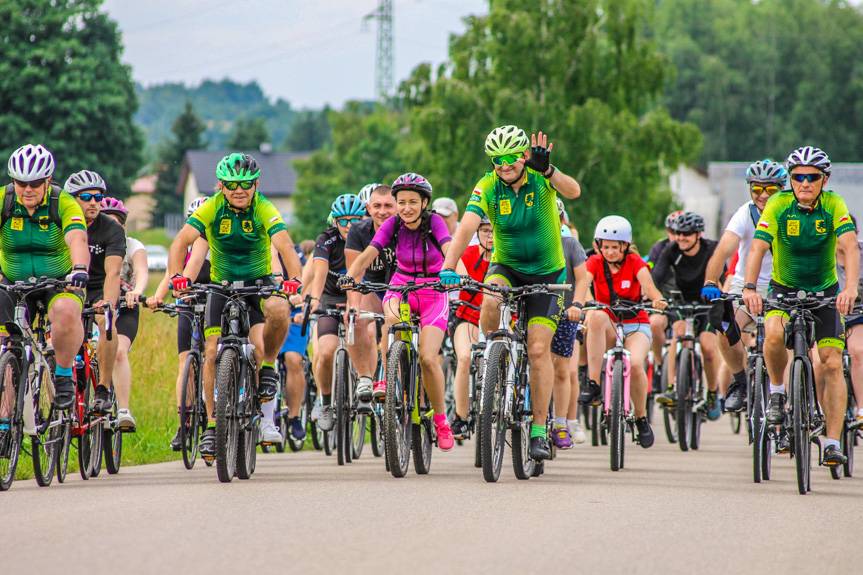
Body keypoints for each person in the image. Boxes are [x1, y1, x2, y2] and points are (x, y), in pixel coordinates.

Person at [440, 125, 582, 460]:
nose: (504, 165)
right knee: (491, 296)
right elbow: (466, 227)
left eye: (510, 157)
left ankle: (538, 429)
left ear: (523, 155)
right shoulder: (488, 185)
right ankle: (494, 353)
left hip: (549, 274)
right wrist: (449, 265)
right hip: (507, 267)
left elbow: (574, 191)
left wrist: (549, 169)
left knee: (537, 350)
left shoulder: (539, 176)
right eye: (496, 159)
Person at [167, 153, 302, 457]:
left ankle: (267, 369)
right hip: (221, 285)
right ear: (221, 186)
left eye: (245, 184)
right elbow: (180, 242)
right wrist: (177, 276)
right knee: (212, 351)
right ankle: (214, 426)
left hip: (258, 283)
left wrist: (294, 279)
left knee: (274, 319)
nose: (239, 190)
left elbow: (285, 245)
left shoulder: (264, 207)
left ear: (256, 184)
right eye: (231, 185)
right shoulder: (213, 206)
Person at [743, 146, 858, 467]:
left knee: (832, 362)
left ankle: (833, 442)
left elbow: (849, 246)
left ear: (825, 180)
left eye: (812, 177)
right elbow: (757, 248)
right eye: (798, 177)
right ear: (790, 180)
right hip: (784, 288)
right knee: (774, 335)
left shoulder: (834, 204)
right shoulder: (779, 204)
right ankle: (778, 391)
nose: (805, 183)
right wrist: (750, 287)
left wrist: (849, 287)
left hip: (825, 291)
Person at [342, 173, 456, 451]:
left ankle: (441, 420)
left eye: (412, 202)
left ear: (424, 202)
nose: (406, 207)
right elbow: (368, 254)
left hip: (433, 291)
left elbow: (449, 247)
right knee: (391, 320)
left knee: (429, 359)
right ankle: (389, 373)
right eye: (401, 202)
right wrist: (351, 276)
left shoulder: (435, 222)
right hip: (401, 285)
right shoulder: (393, 224)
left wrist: (451, 269)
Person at [0, 145, 90, 410]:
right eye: (21, 182)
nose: (28, 189)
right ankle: (5, 420)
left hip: (58, 281)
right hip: (13, 282)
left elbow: (77, 237)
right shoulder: (5, 200)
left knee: (65, 310)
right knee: (6, 346)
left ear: (48, 180)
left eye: (36, 183)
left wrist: (80, 267)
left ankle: (63, 375)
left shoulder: (62, 202)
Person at [700, 159, 786, 412]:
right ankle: (740, 382)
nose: (763, 195)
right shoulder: (745, 212)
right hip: (743, 284)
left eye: (771, 190)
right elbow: (724, 248)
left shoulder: (790, 212)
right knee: (725, 328)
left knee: (781, 338)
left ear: (783, 188)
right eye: (757, 188)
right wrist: (710, 280)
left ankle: (787, 397)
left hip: (782, 285)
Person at [576, 216, 667, 448]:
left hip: (636, 323)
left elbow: (649, 287)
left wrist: (658, 300)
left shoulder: (635, 262)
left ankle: (640, 418)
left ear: (625, 246)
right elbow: (584, 285)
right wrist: (585, 302)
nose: (609, 252)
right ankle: (594, 383)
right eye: (605, 246)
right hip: (608, 323)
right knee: (595, 316)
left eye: (614, 247)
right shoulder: (594, 262)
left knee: (635, 364)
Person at [149, 197, 211, 451]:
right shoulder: (184, 251)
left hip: (212, 302)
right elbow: (169, 277)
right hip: (188, 303)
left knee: (212, 357)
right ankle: (184, 422)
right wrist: (158, 297)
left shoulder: (215, 248)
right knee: (185, 360)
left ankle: (213, 413)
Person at [65, 171, 126, 419]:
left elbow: (114, 273)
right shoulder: (62, 223)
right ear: (72, 200)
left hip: (100, 285)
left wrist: (108, 303)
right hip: (69, 285)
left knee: (107, 323)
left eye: (98, 197)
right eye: (86, 197)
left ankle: (103, 387)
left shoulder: (111, 228)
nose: (93, 202)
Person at [652, 212, 723, 420]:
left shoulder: (712, 249)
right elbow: (657, 277)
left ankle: (711, 393)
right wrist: (656, 297)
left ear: (698, 234)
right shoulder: (671, 250)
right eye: (678, 233)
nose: (681, 238)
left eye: (687, 234)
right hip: (682, 301)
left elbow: (724, 275)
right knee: (678, 334)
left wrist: (722, 295)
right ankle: (673, 387)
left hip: (708, 302)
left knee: (709, 347)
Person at [306, 193, 366, 429]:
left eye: (355, 220)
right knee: (327, 351)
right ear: (335, 222)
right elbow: (319, 272)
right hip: (331, 298)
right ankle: (326, 401)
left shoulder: (368, 238)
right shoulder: (326, 240)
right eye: (343, 221)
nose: (349, 226)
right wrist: (314, 299)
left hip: (359, 297)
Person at [99, 196, 148, 430]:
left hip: (124, 307)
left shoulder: (133, 245)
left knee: (117, 351)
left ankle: (123, 410)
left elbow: (141, 271)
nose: (111, 226)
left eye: (116, 222)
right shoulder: (91, 242)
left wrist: (136, 292)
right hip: (96, 306)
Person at [345, 184, 396, 403]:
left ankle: (392, 376)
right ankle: (365, 377)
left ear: (397, 207)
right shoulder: (358, 231)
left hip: (401, 286)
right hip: (374, 287)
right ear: (368, 207)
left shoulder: (406, 227)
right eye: (377, 206)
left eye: (388, 206)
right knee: (353, 320)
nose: (382, 211)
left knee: (390, 322)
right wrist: (353, 306)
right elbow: (353, 275)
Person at [449, 216, 493, 439]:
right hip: (469, 317)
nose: (491, 236)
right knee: (465, 358)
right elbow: (452, 264)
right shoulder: (467, 254)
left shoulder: (512, 258)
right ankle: (461, 417)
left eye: (495, 231)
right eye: (485, 231)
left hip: (504, 321)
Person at [550, 225, 588, 448]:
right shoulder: (528, 239)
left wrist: (576, 304)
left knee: (563, 370)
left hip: (565, 313)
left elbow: (582, 279)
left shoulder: (570, 244)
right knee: (536, 362)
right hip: (537, 310)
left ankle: (561, 424)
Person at [645, 210, 683, 392]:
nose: (676, 236)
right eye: (672, 231)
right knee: (654, 323)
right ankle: (659, 364)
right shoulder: (659, 248)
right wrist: (651, 296)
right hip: (664, 300)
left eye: (681, 232)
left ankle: (680, 378)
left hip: (687, 303)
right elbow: (651, 276)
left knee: (681, 332)